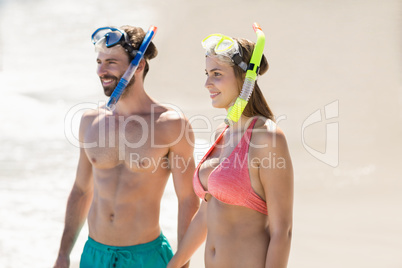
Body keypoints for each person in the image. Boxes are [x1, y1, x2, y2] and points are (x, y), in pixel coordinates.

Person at [54, 25, 199, 268]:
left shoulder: (171, 125)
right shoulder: (91, 120)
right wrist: (62, 254)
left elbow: (188, 199)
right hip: (94, 255)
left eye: (111, 62)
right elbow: (81, 189)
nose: (101, 70)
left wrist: (182, 263)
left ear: (139, 65)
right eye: (99, 61)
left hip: (146, 257)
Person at [167, 33, 294, 268]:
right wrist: (173, 265)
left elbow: (282, 232)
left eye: (216, 74)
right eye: (207, 74)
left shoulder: (266, 137)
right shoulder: (221, 134)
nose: (207, 84)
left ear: (245, 78)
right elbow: (206, 214)